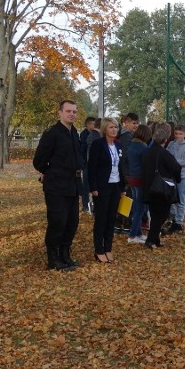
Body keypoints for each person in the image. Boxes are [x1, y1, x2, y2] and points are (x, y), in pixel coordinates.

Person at [32, 100, 84, 271]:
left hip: (73, 184)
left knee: (72, 222)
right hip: (56, 185)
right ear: (60, 113)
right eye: (68, 111)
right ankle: (53, 259)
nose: (72, 114)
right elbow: (39, 160)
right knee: (57, 221)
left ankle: (65, 255)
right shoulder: (52, 133)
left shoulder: (74, 132)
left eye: (74, 112)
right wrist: (51, 172)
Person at [88, 118, 123, 263]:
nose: (114, 129)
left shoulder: (118, 145)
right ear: (104, 129)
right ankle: (99, 249)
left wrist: (122, 187)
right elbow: (92, 167)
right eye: (111, 127)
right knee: (101, 219)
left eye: (116, 127)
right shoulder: (98, 145)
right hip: (102, 187)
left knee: (111, 219)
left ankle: (108, 247)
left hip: (116, 185)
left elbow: (121, 166)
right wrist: (93, 187)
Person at [142, 126, 182, 249]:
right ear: (165, 140)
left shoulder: (147, 152)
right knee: (162, 214)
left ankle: (155, 239)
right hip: (161, 188)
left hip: (148, 187)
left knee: (154, 214)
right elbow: (176, 167)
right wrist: (176, 179)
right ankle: (151, 239)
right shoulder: (164, 153)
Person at [126, 125, 152, 244]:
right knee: (140, 209)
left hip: (132, 178)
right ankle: (132, 235)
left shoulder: (131, 145)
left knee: (137, 207)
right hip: (141, 179)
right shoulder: (143, 148)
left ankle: (138, 233)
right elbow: (146, 164)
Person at [166, 125, 185, 231]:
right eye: (176, 133)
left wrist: (173, 162)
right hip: (171, 175)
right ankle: (172, 218)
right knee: (172, 198)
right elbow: (166, 156)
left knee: (181, 199)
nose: (178, 136)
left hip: (182, 175)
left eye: (180, 134)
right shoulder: (172, 144)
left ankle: (179, 221)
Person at [79, 116, 100, 213]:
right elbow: (83, 150)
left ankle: (90, 205)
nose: (94, 125)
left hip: (88, 164)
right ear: (87, 125)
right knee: (86, 186)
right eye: (92, 123)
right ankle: (85, 205)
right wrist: (83, 163)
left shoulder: (91, 134)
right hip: (86, 164)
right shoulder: (85, 135)